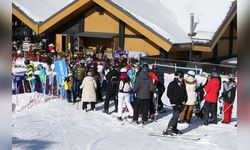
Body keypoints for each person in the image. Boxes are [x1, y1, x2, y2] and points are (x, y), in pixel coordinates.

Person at [163, 71, 187, 135]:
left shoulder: (183, 84)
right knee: (175, 115)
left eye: (183, 77)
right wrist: (174, 100)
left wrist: (185, 100)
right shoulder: (172, 84)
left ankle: (174, 128)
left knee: (177, 116)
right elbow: (169, 94)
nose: (182, 78)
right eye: (181, 77)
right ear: (177, 77)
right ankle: (169, 129)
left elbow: (185, 94)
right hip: (174, 103)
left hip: (181, 103)